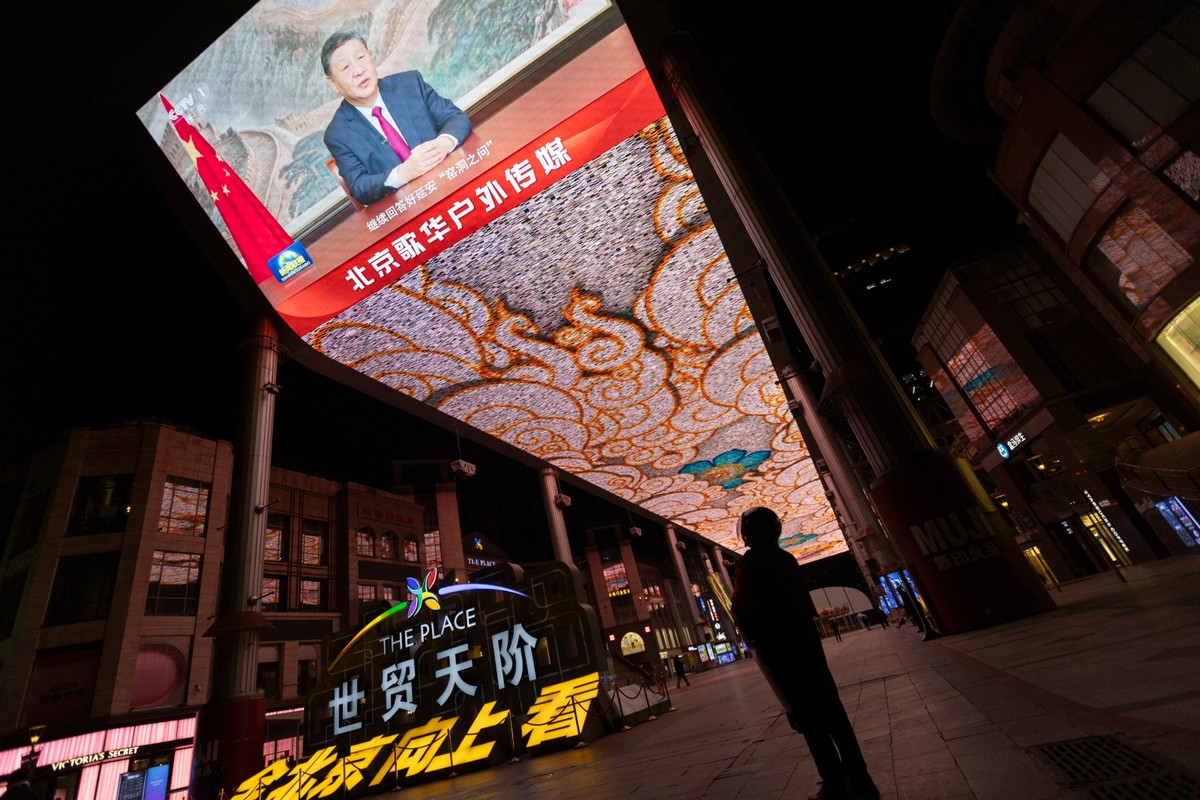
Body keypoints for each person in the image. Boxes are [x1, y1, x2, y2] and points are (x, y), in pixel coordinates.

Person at [731, 507, 879, 800]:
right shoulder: (786, 558)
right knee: (833, 712)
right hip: (807, 646)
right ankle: (859, 776)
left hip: (780, 651)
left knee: (808, 720)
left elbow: (742, 608)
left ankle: (834, 783)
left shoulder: (748, 564)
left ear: (748, 533)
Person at [321, 30, 472, 206]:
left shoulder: (410, 84)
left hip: (456, 185)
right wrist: (403, 173)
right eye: (346, 67)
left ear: (371, 57)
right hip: (409, 211)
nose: (359, 71)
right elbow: (359, 186)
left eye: (361, 58)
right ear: (332, 83)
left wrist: (442, 145)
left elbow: (456, 118)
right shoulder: (338, 134)